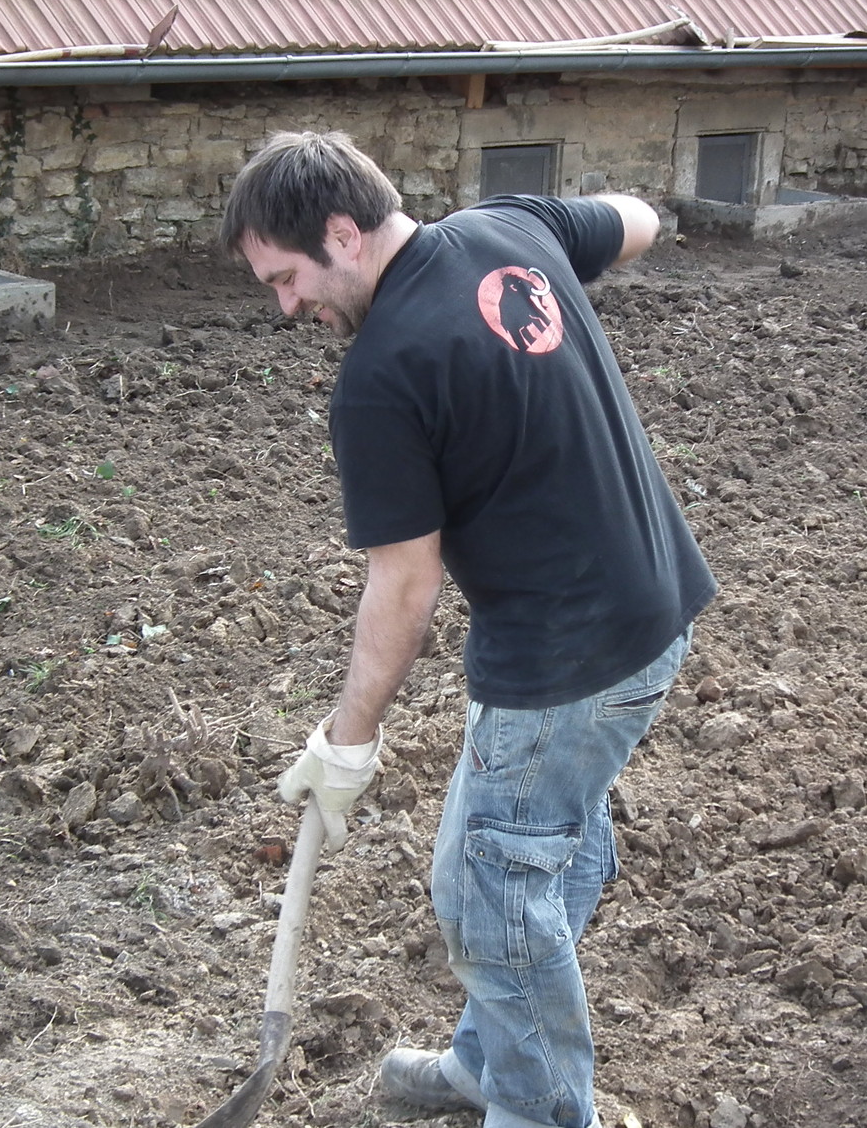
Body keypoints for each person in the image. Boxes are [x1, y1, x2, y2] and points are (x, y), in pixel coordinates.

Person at [219, 131, 715, 1128]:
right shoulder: (512, 227)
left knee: (493, 896)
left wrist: (347, 737)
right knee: (517, 862)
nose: (286, 308)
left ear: (343, 234)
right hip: (653, 612)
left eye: (285, 278)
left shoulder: (383, 376)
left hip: (564, 661)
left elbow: (403, 588)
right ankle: (490, 1060)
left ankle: (535, 1110)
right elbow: (639, 221)